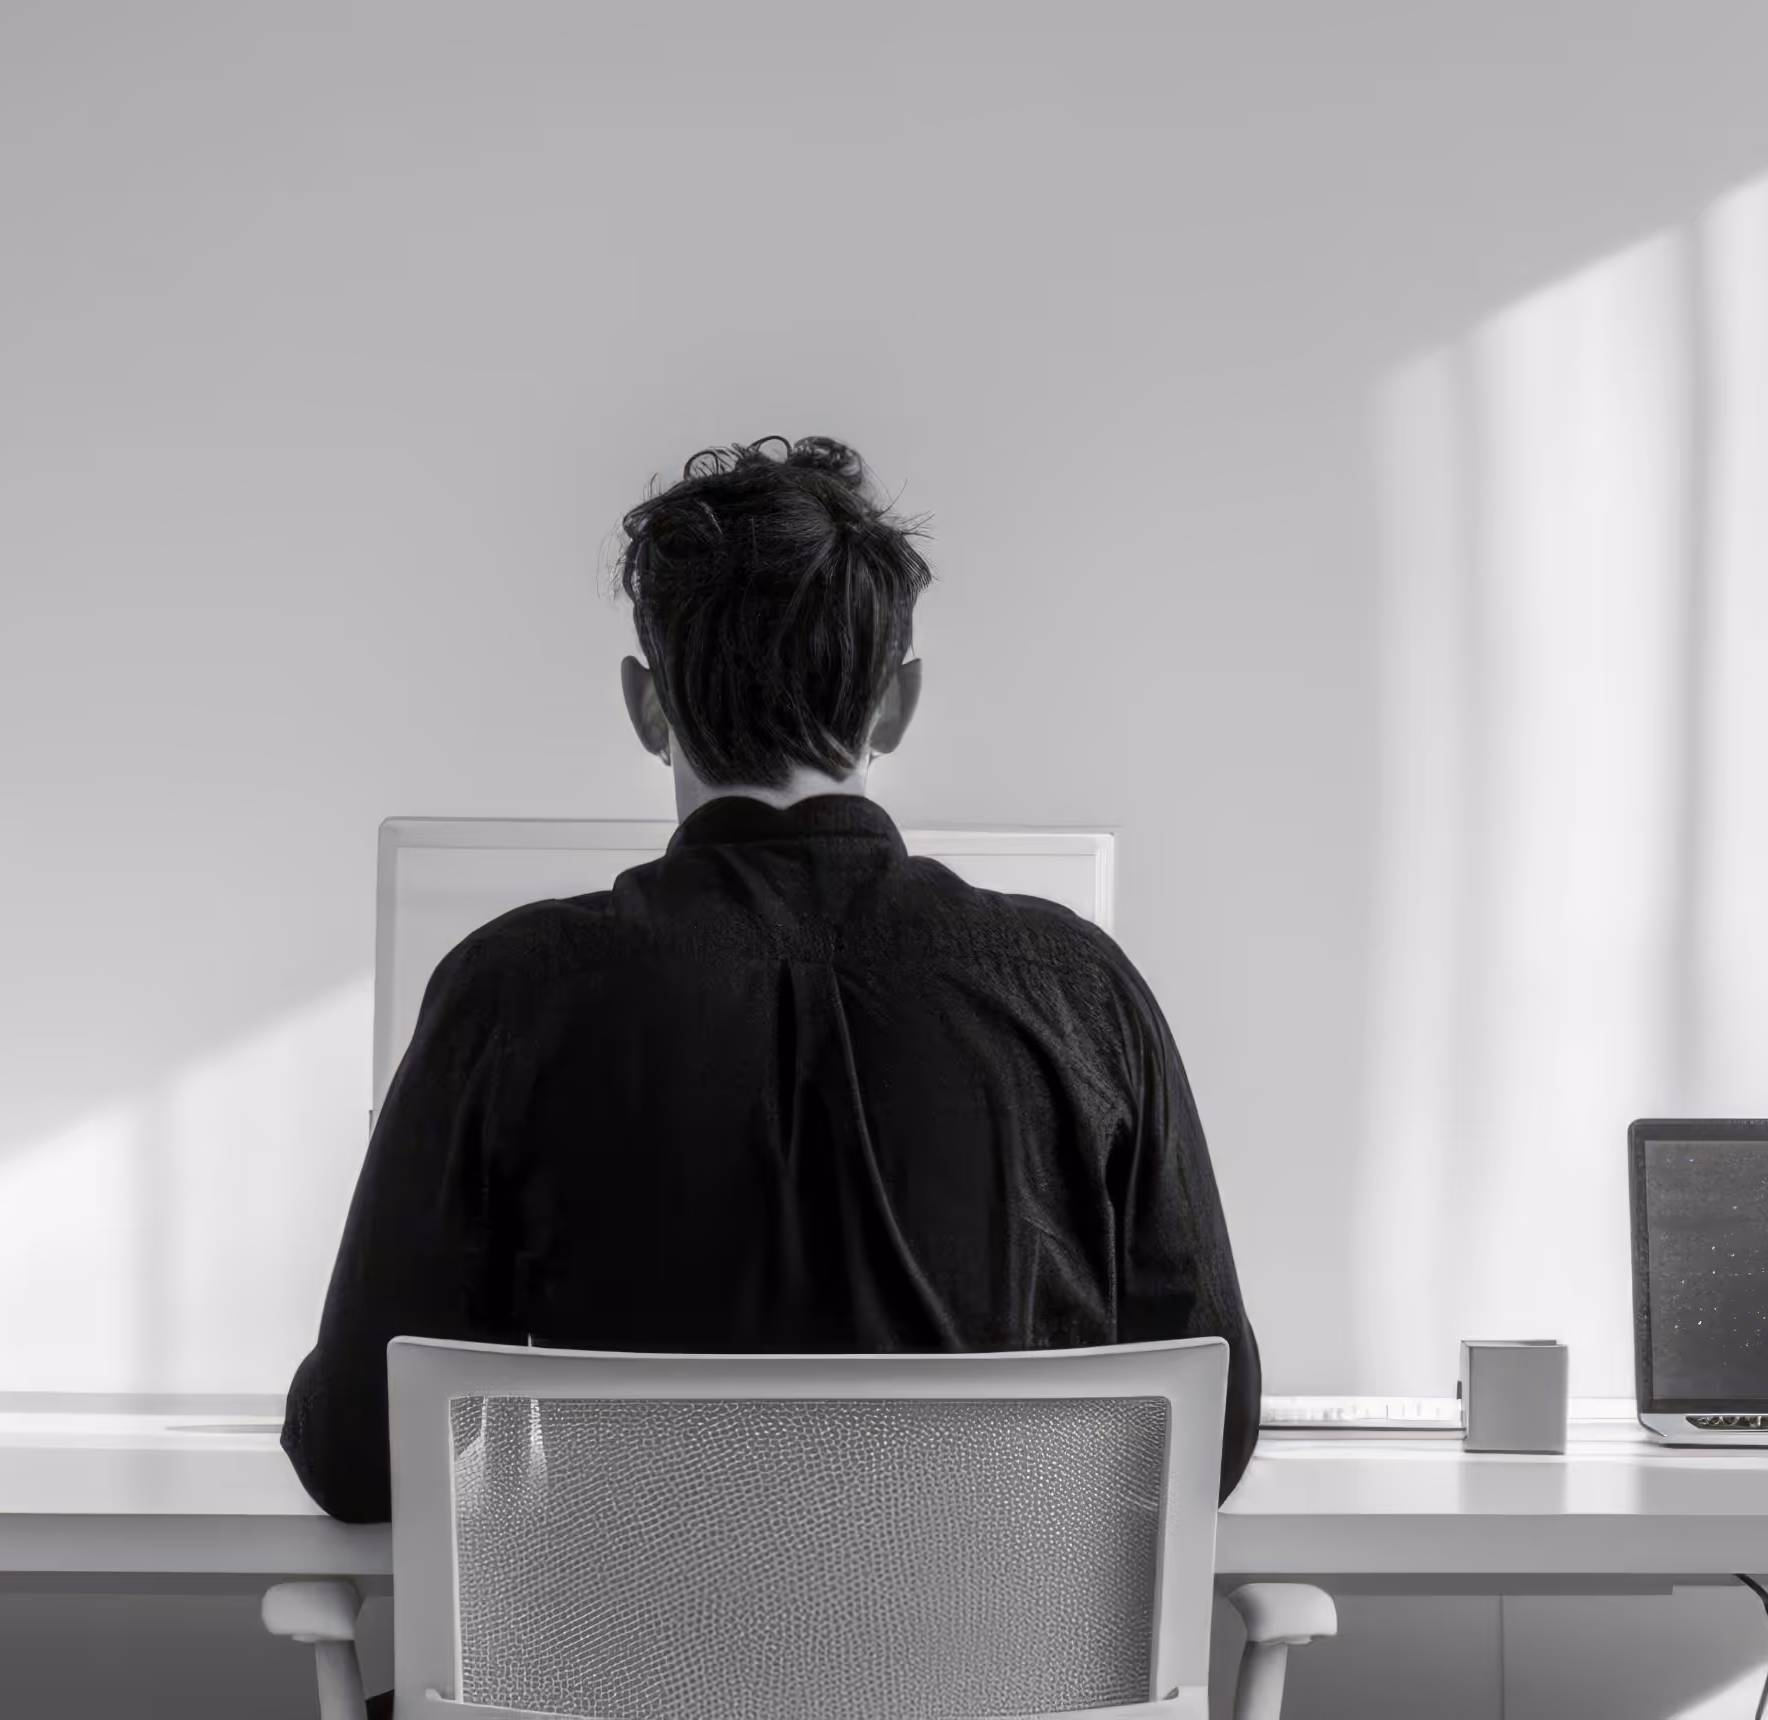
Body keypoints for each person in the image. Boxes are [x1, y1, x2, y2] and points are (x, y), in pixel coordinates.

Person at [280, 435, 1263, 1524]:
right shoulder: (1079, 988)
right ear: (896, 704)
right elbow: (1207, 1434)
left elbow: (358, 1458)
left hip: (605, 1690)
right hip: (994, 1694)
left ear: (646, 707)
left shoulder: (512, 993)